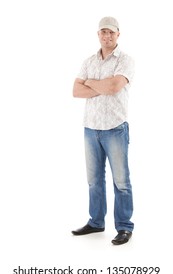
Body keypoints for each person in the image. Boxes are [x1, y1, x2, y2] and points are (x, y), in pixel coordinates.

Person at [71, 16, 135, 245]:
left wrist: (91, 83)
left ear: (118, 34)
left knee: (121, 181)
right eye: (103, 32)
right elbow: (75, 91)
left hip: (115, 128)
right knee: (94, 180)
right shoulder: (89, 61)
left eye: (111, 32)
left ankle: (125, 227)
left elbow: (114, 86)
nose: (107, 36)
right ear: (98, 34)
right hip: (91, 129)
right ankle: (96, 222)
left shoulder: (125, 61)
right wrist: (102, 86)